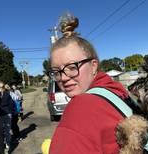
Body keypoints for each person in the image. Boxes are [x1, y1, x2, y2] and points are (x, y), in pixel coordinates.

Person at [49, 13, 130, 153]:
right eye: (56, 71)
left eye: (72, 67)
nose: (63, 78)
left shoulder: (81, 107)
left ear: (93, 66)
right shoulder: (116, 91)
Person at [0, 81, 13, 150]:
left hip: (7, 114)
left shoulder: (7, 94)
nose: (2, 88)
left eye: (3, 87)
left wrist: (9, 112)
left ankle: (8, 143)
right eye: (1, 87)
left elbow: (11, 103)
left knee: (8, 130)